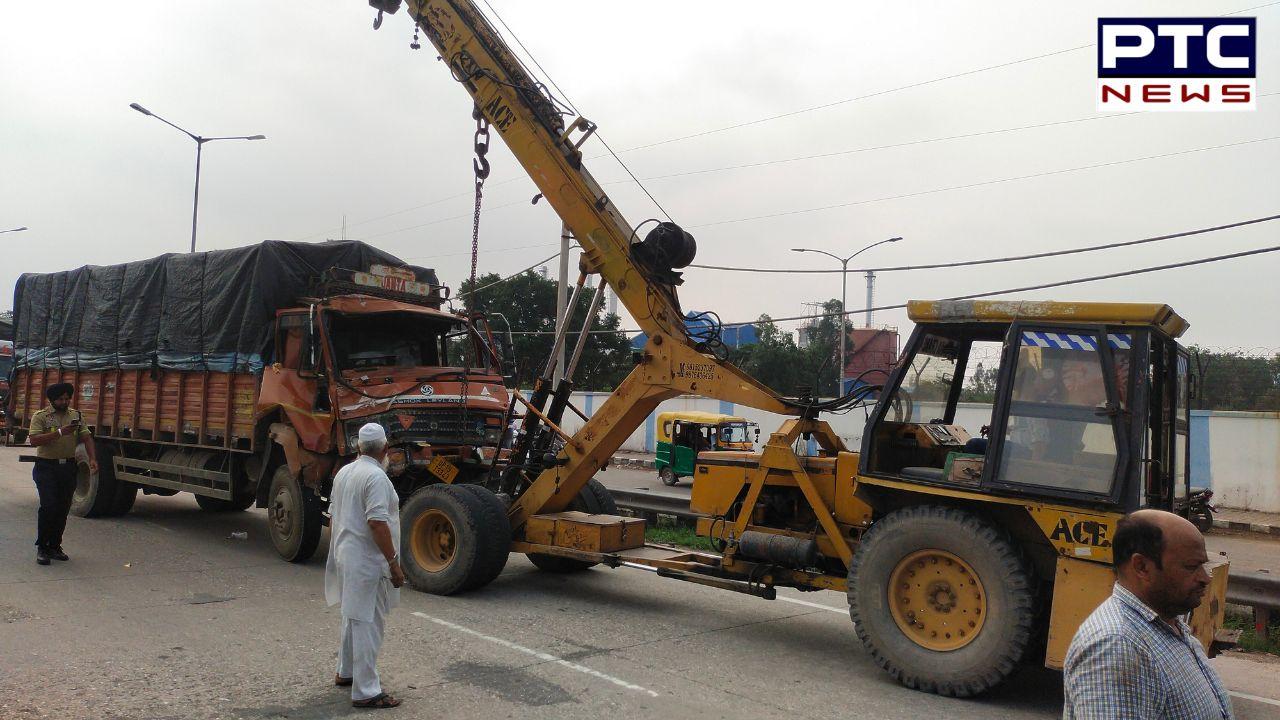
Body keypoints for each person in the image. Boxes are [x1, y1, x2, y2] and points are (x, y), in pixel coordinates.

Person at [1063, 509, 1232, 719]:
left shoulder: (1169, 622)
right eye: (1191, 567)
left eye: (1203, 566)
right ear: (1142, 567)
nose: (1205, 578)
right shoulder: (1117, 646)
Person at [324, 423, 405, 710]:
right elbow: (376, 522)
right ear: (385, 449)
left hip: (346, 556)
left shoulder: (344, 472)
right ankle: (366, 690)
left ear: (359, 447)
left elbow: (333, 517)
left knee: (352, 616)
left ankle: (345, 672)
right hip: (367, 562)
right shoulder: (377, 478)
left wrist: (337, 551)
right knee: (368, 623)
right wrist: (393, 563)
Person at [26, 382, 97, 565]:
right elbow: (34, 440)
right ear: (52, 400)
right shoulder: (41, 416)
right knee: (48, 506)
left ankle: (55, 546)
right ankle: (42, 548)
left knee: (62, 508)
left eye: (67, 399)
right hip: (46, 467)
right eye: (60, 399)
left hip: (67, 468)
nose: (64, 402)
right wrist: (59, 433)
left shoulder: (76, 415)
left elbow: (86, 437)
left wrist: (92, 458)